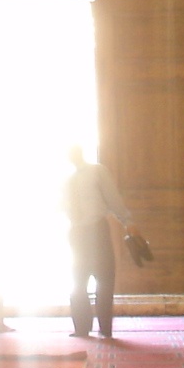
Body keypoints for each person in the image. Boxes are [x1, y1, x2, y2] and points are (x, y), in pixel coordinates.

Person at [65, 144, 133, 338]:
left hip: (92, 230)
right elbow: (60, 205)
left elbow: (113, 198)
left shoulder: (95, 172)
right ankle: (87, 328)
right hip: (81, 232)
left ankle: (97, 327)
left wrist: (127, 221)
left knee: (99, 278)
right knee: (83, 280)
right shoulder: (71, 179)